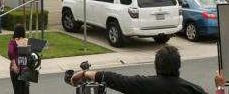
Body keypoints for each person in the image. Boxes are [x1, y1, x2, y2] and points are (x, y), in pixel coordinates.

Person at [70, 45, 208, 94]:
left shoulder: (144, 85)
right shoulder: (194, 90)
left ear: (155, 65)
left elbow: (116, 79)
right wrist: (220, 86)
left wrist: (84, 73)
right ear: (178, 65)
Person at [8, 24, 28, 94]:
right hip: (25, 69)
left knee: (17, 90)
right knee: (25, 90)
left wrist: (14, 65)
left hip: (16, 68)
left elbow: (10, 52)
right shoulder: (27, 41)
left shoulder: (12, 41)